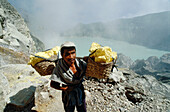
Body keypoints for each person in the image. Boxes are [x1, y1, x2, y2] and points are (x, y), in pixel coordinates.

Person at [50, 41, 87, 112]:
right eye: (67, 54)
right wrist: (66, 89)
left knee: (82, 110)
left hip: (80, 91)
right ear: (62, 55)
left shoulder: (80, 63)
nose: (71, 57)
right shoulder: (59, 67)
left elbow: (90, 70)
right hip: (68, 95)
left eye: (73, 53)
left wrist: (89, 60)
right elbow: (53, 84)